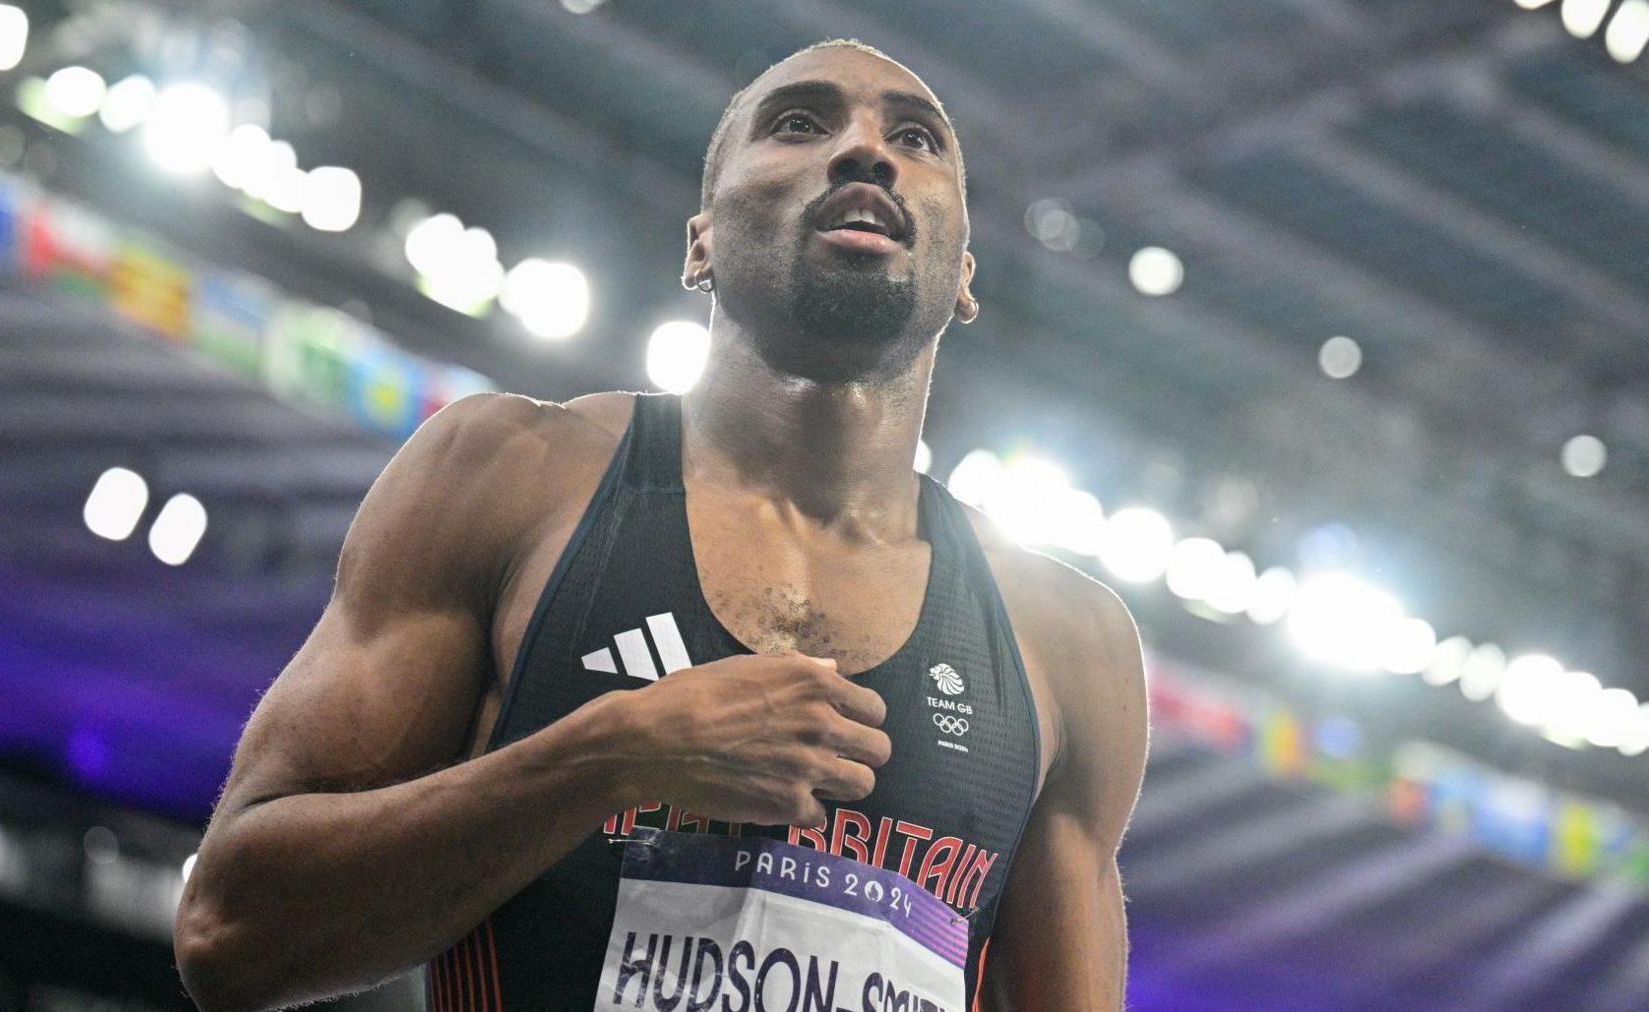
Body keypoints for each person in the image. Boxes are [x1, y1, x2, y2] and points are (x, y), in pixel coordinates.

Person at [174, 37, 1147, 1012]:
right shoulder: (509, 476)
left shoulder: (1069, 641)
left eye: (916, 139)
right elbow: (231, 931)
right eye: (801, 124)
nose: (866, 151)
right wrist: (609, 756)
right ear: (702, 242)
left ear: (965, 274)